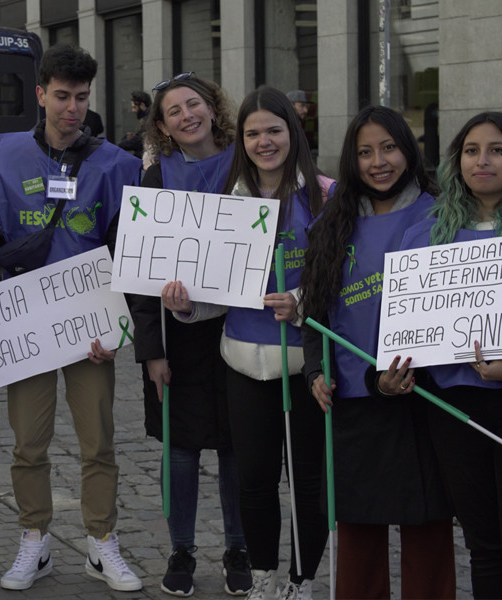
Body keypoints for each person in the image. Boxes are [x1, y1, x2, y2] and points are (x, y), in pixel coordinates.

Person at [161, 85, 332, 600]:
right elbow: (219, 294)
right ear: (243, 140)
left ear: (293, 132)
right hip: (242, 361)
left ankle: (301, 581)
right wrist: (186, 306)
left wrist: (301, 301)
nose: (264, 142)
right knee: (253, 480)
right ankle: (262, 576)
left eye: (274, 131)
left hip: (305, 365)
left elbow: (343, 282)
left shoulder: (325, 194)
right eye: (254, 133)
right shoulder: (226, 203)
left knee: (307, 485)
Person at [0, 43, 142, 592]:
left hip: (89, 324)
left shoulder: (117, 165)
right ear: (40, 94)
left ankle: (101, 542)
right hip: (27, 323)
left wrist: (118, 323)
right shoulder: (5, 157)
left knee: (98, 441)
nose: (72, 108)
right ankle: (36, 540)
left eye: (81, 97)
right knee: (29, 442)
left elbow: (129, 253)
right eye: (61, 96)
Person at [298, 105, 456, 599]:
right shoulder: (332, 220)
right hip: (354, 403)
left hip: (422, 401)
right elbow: (315, 310)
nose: (378, 161)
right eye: (365, 152)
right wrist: (315, 369)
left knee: (427, 531)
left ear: (407, 150)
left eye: (388, 147)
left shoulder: (444, 214)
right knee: (359, 535)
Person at [395, 111, 502, 598]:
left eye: (497, 150)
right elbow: (406, 335)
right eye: (472, 150)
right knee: (483, 544)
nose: (483, 161)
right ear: (457, 161)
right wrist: (393, 373)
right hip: (453, 411)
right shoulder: (426, 238)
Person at [128, 72, 250, 597]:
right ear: (162, 125)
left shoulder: (246, 165)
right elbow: (138, 276)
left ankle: (239, 546)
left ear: (211, 106)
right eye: (173, 111)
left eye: (193, 104)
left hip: (240, 328)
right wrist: (150, 350)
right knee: (180, 449)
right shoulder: (154, 180)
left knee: (235, 445)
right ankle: (181, 548)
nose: (186, 116)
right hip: (177, 338)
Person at [118, 90, 151, 159]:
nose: (133, 110)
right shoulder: (148, 118)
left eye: (134, 107)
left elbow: (139, 141)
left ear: (142, 105)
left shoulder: (148, 120)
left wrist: (124, 143)